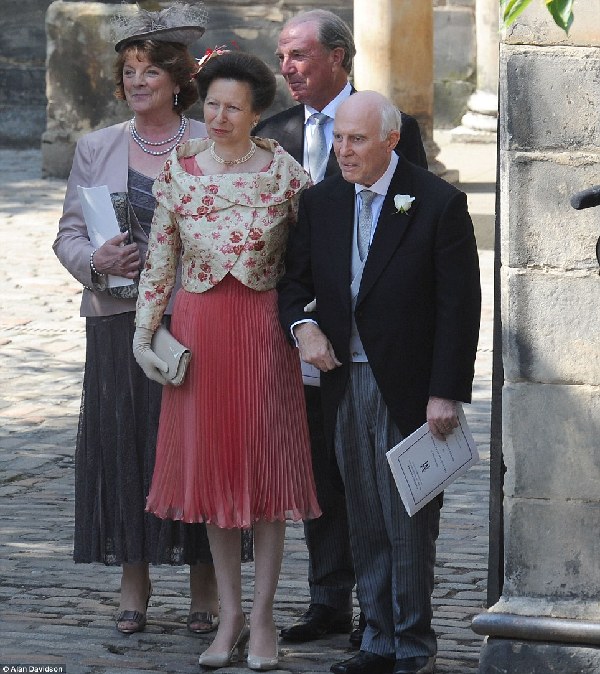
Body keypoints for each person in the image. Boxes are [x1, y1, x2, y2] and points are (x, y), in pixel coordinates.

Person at [278, 91, 481, 674]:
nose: (343, 150)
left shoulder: (437, 202)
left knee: (409, 521)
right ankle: (376, 640)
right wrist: (304, 327)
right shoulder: (321, 203)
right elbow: (294, 285)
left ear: (391, 141)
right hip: (342, 382)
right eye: (339, 138)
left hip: (409, 388)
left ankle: (414, 646)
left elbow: (459, 306)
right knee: (362, 514)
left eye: (357, 139)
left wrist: (445, 391)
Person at [133, 50, 320, 671]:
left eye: (232, 106)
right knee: (212, 475)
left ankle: (263, 618)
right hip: (200, 335)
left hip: (263, 335)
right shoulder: (180, 174)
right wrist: (144, 335)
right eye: (211, 103)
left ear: (256, 113)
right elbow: (160, 263)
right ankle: (229, 616)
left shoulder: (285, 176)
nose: (218, 115)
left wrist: (311, 324)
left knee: (264, 476)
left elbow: (310, 262)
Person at [254, 9, 428, 648]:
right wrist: (299, 322)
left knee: (377, 481)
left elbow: (415, 224)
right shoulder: (273, 132)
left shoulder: (392, 127)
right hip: (304, 338)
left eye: (299, 55)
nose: (287, 68)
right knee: (320, 474)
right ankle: (328, 598)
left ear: (338, 57)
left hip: (376, 347)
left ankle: (380, 614)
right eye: (281, 56)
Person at [52, 2, 220, 636]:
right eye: (128, 72)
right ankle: (135, 583)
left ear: (178, 81)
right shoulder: (96, 147)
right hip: (117, 319)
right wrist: (95, 259)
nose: (136, 82)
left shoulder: (210, 143)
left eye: (149, 71)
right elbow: (67, 234)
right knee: (126, 447)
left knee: (196, 448)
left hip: (193, 318)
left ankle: (206, 581)